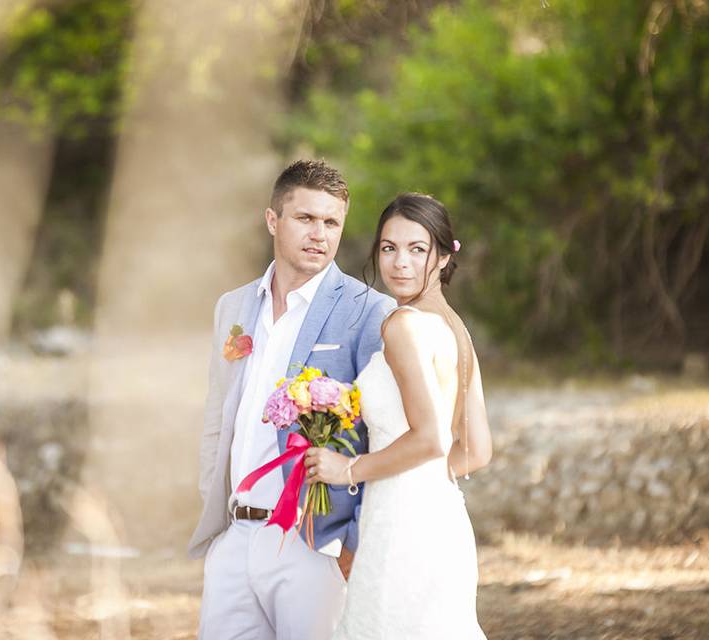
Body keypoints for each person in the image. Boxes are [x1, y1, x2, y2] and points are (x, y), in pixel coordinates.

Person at [188, 159, 395, 639]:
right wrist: (215, 513)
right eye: (305, 218)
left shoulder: (369, 313)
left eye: (331, 222)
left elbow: (382, 434)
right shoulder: (233, 307)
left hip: (313, 542)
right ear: (272, 220)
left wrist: (352, 543)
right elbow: (219, 418)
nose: (319, 234)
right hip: (234, 538)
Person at [305, 193, 492, 639]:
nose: (400, 263)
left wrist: (348, 468)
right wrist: (418, 480)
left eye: (417, 249)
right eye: (389, 248)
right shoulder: (455, 328)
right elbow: (477, 451)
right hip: (442, 518)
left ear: (445, 256)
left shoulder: (402, 324)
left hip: (403, 529)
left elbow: (430, 438)